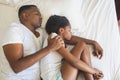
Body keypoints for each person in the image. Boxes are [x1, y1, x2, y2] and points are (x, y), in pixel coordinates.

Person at [1, 5, 64, 80]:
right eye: (37, 14)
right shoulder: (15, 30)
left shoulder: (42, 32)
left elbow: (63, 36)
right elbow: (16, 67)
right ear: (25, 16)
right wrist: (49, 48)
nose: (41, 17)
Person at [43, 15, 103, 80]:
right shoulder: (54, 38)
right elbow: (74, 62)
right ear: (61, 30)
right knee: (82, 45)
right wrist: (93, 71)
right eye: (69, 30)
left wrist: (94, 43)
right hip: (56, 78)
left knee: (82, 57)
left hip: (58, 76)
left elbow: (70, 39)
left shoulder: (56, 39)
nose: (71, 33)